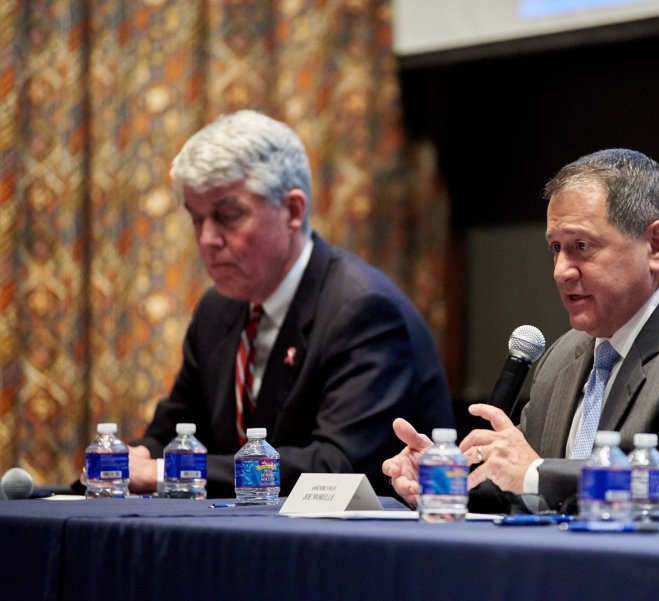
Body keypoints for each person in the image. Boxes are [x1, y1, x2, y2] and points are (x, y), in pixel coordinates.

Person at [383, 148, 659, 528]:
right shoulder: (563, 356)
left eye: (581, 246)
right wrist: (447, 483)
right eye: (555, 248)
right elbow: (523, 490)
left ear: (656, 245)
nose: (561, 270)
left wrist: (536, 474)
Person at [126, 109, 454, 498]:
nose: (207, 239)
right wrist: (123, 462)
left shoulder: (362, 309)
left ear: (293, 211)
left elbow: (337, 465)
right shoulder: (217, 309)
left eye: (228, 216)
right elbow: (174, 431)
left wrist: (169, 471)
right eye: (196, 219)